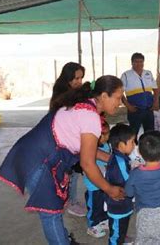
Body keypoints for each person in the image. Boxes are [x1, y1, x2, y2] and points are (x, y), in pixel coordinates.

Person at [0, 75, 126, 244]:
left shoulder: (84, 106)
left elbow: (86, 149)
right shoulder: (90, 117)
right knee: (51, 214)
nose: (120, 102)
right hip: (39, 160)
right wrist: (109, 189)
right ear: (103, 96)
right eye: (117, 97)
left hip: (35, 153)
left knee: (53, 211)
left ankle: (63, 239)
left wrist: (110, 159)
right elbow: (87, 164)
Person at [50, 62, 87, 217]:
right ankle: (70, 201)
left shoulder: (70, 90)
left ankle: (70, 199)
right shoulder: (61, 92)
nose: (78, 82)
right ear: (67, 78)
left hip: (71, 137)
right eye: (75, 78)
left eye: (80, 78)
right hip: (63, 139)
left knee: (74, 171)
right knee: (70, 171)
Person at [105, 123, 137, 244]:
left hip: (123, 204)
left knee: (122, 228)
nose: (134, 145)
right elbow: (129, 183)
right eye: (132, 142)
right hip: (119, 206)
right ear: (121, 145)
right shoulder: (119, 162)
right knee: (116, 234)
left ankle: (122, 237)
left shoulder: (119, 157)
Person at [82, 120, 111, 238]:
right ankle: (92, 225)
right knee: (94, 205)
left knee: (103, 203)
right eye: (106, 134)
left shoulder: (106, 144)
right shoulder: (90, 148)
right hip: (93, 184)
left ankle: (103, 220)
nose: (108, 136)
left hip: (103, 181)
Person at [121, 52, 159, 136]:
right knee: (133, 134)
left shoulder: (148, 73)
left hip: (149, 109)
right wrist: (128, 106)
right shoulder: (126, 75)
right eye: (136, 61)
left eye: (141, 61)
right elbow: (120, 93)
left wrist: (156, 102)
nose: (139, 64)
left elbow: (156, 89)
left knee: (150, 134)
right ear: (132, 62)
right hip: (135, 110)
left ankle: (148, 149)